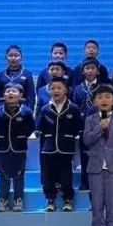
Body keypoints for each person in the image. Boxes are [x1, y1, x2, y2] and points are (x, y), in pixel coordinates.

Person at [82, 85, 113, 226]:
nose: (104, 100)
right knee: (96, 202)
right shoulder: (90, 120)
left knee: (112, 202)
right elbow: (87, 140)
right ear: (95, 101)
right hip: (95, 166)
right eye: (100, 97)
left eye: (107, 97)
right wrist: (99, 128)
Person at [36, 77, 82, 212]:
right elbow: (40, 127)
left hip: (66, 148)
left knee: (66, 175)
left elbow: (78, 127)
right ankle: (50, 200)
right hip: (48, 148)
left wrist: (68, 136)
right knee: (48, 175)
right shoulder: (45, 109)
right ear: (49, 91)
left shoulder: (73, 108)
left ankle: (68, 199)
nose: (56, 91)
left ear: (65, 90)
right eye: (53, 88)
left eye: (59, 88)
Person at [0, 85, 35, 212]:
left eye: (14, 91)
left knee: (19, 175)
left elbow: (31, 128)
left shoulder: (26, 112)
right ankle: (3, 200)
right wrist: (2, 135)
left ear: (20, 95)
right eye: (8, 91)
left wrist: (21, 136)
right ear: (4, 95)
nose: (10, 93)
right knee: (3, 175)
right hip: (2, 148)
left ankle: (18, 199)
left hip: (19, 148)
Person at [72, 58, 101, 190]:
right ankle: (85, 182)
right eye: (87, 68)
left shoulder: (102, 88)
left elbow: (106, 106)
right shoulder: (78, 89)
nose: (90, 71)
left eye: (93, 68)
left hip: (99, 125)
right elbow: (75, 108)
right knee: (84, 156)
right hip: (83, 126)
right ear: (83, 71)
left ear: (97, 71)